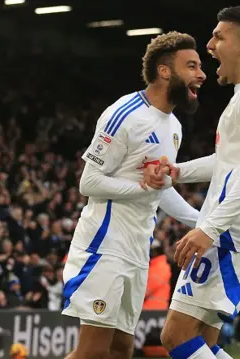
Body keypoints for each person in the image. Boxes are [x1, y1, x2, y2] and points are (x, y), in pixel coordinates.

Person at [143, 6, 240, 359]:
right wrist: (177, 172)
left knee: (175, 337)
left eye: (218, 37)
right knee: (203, 343)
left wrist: (209, 228)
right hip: (235, 232)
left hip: (234, 235)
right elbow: (229, 162)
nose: (209, 45)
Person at [61, 31, 205, 359]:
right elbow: (89, 182)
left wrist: (205, 222)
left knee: (122, 349)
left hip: (137, 251)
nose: (201, 74)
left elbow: (161, 192)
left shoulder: (174, 127)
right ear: (165, 71)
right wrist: (140, 187)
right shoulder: (124, 114)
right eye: (192, 66)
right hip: (105, 246)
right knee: (93, 352)